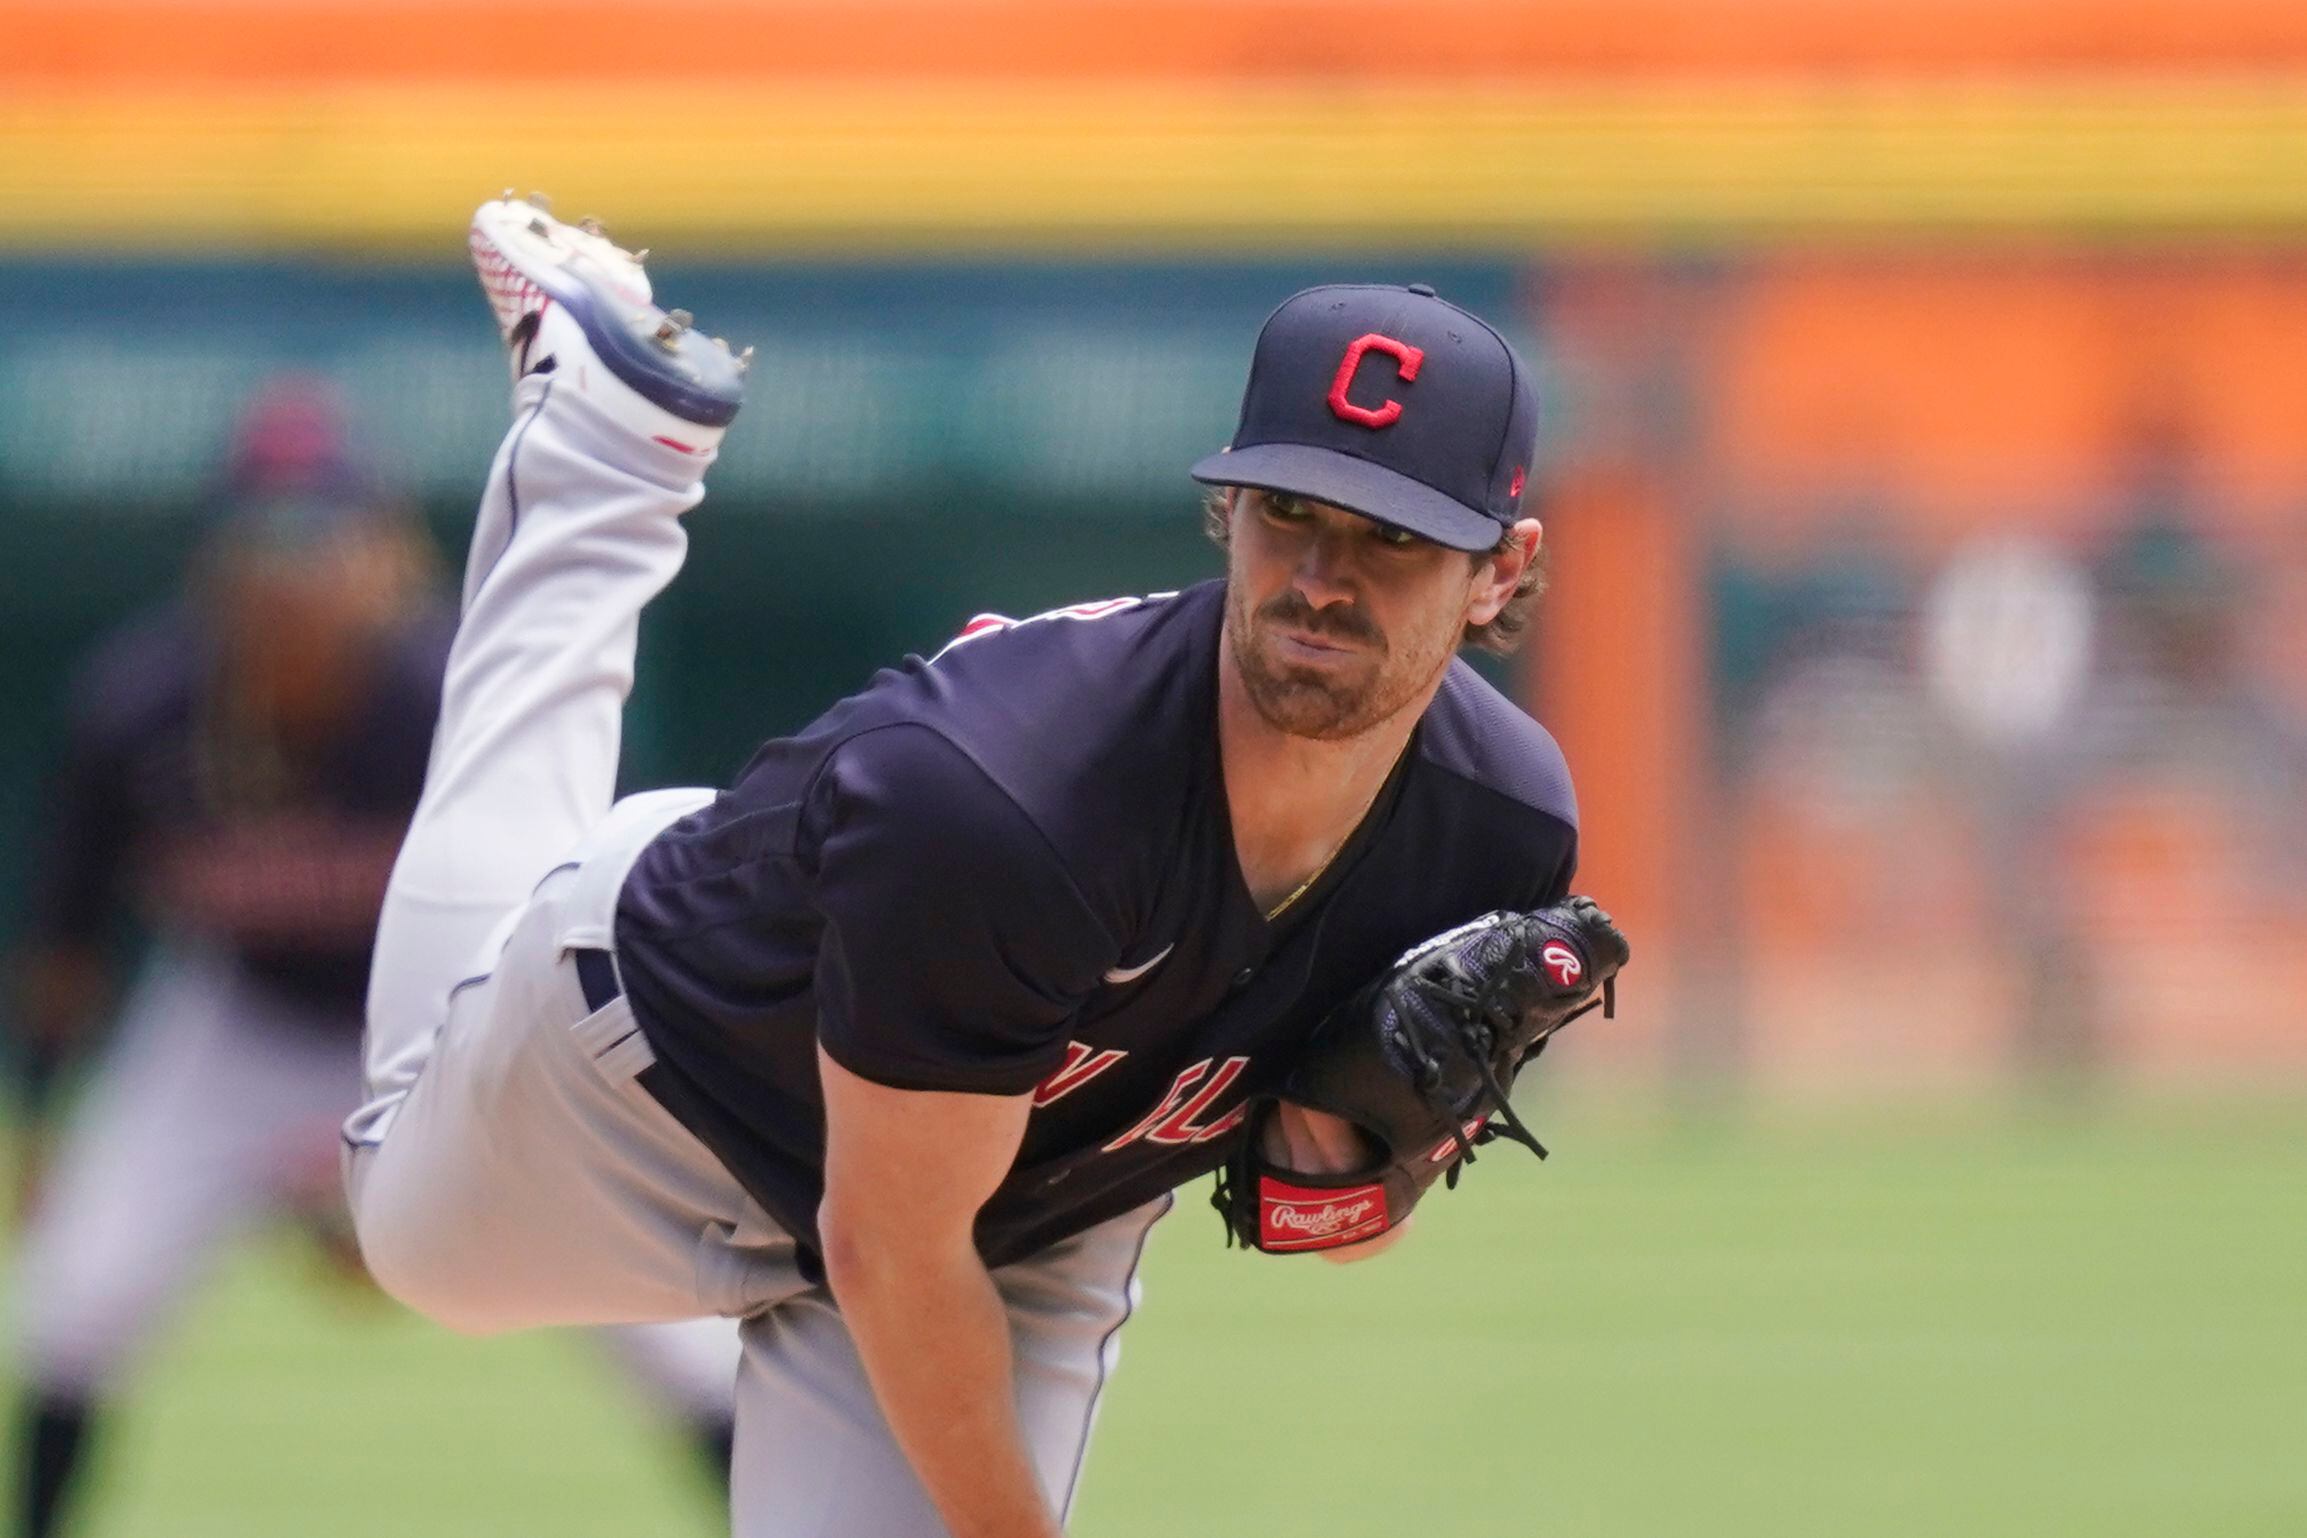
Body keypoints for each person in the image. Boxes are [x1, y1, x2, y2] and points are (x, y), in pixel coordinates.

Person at [346, 197, 1592, 1537]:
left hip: (1020, 1206)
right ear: (1226, 508)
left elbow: (1340, 1198)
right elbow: (884, 1246)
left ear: (1497, 568)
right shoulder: (1012, 802)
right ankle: (602, 450)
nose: (1322, 577)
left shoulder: (1493, 828)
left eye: (1392, 536)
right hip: (673, 1067)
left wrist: (1356, 1160)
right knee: (410, 1238)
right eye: (1291, 509)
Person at [6, 382, 741, 1538]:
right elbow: (68, 936)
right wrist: (43, 1115)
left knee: (678, 1335)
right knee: (78, 1302)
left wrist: (385, 1179)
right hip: (234, 1021)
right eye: (261, 533)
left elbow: (575, 926)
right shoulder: (140, 708)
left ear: (385, 549)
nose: (290, 567)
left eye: (321, 532)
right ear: (213, 559)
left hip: (477, 1016)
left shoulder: (455, 700)